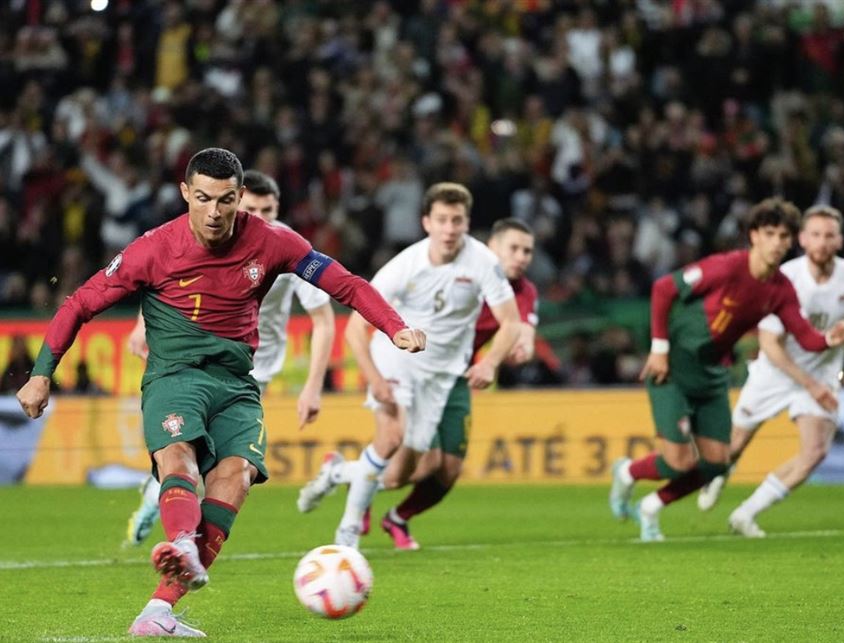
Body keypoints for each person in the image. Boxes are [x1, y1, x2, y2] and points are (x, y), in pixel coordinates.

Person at [15, 148, 425, 638]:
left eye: (226, 200)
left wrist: (394, 328)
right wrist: (42, 373)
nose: (215, 212)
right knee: (177, 456)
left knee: (237, 476)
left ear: (239, 198)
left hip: (236, 384)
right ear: (186, 193)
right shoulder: (153, 248)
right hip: (175, 376)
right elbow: (81, 302)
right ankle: (183, 541)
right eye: (204, 198)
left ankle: (158, 611)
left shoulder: (272, 242)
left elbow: (346, 285)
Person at [607, 198, 844, 542]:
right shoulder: (726, 267)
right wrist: (659, 349)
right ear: (753, 236)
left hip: (711, 375)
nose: (777, 242)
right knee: (678, 462)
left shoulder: (780, 289)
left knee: (717, 462)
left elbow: (806, 337)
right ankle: (628, 472)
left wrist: (829, 338)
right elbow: (664, 288)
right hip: (673, 368)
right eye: (770, 233)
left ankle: (650, 507)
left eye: (784, 236)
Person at [296, 182, 522, 549]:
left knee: (404, 473)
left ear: (467, 223)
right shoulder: (404, 266)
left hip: (442, 376)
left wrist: (492, 362)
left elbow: (510, 322)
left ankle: (337, 471)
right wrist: (375, 379)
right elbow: (356, 330)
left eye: (457, 221)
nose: (450, 229)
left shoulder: (483, 262)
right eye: (442, 220)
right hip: (396, 361)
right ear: (426, 222)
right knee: (390, 438)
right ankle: (348, 534)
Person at [123, 169, 336, 547]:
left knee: (223, 467)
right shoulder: (214, 234)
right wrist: (142, 325)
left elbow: (323, 319)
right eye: (252, 207)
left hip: (254, 370)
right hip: (199, 357)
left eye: (268, 210)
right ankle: (173, 519)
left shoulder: (285, 246)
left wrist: (313, 387)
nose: (260, 217)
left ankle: (172, 516)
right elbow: (168, 283)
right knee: (191, 451)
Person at [695, 205, 844, 536]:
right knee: (731, 448)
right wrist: (808, 383)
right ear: (802, 239)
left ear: (840, 240)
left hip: (821, 374)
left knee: (815, 451)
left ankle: (746, 513)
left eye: (829, 235)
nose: (821, 242)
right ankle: (720, 473)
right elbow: (770, 343)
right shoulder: (785, 279)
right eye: (815, 234)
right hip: (775, 371)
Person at [372, 217, 539, 549]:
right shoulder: (467, 274)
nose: (521, 257)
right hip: (419, 368)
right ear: (492, 248)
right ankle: (359, 482)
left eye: (528, 251)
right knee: (425, 463)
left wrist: (522, 348)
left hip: (460, 374)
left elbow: (524, 330)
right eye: (514, 248)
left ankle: (398, 517)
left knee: (449, 470)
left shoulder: (524, 292)